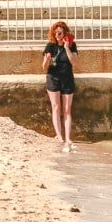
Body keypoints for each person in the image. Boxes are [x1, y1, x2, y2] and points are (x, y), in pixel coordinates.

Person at [43, 20, 81, 151]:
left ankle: (68, 137)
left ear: (65, 33)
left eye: (60, 32)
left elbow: (75, 63)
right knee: (56, 106)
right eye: (56, 32)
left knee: (67, 109)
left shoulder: (72, 45)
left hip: (67, 78)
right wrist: (47, 59)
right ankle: (59, 136)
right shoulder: (50, 46)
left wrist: (67, 48)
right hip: (53, 78)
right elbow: (44, 66)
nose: (57, 34)